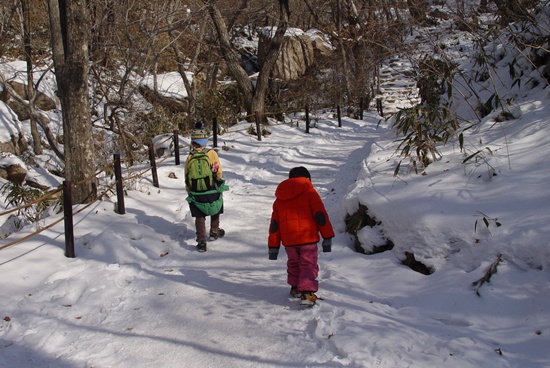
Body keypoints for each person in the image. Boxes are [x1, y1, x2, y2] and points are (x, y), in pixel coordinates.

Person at [268, 166, 335, 306]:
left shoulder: (279, 199)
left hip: (289, 240)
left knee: (293, 262)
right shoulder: (311, 193)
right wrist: (327, 236)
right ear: (307, 179)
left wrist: (273, 246)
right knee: (308, 264)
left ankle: (295, 287)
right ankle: (306, 292)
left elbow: (275, 224)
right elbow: (320, 216)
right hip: (308, 237)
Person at [185, 123, 227, 252]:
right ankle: (214, 231)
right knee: (215, 206)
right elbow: (218, 169)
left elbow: (186, 174)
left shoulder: (190, 156)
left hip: (196, 190)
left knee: (199, 214)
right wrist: (219, 181)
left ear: (193, 143)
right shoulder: (211, 153)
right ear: (204, 142)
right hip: (211, 186)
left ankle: (201, 241)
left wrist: (189, 189)